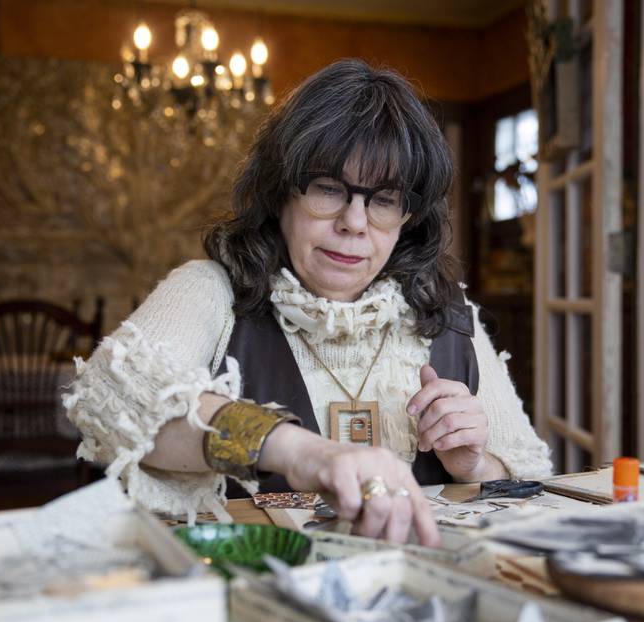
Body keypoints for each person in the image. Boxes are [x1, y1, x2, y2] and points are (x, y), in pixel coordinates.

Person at [64, 59, 551, 547]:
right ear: (279, 194)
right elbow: (112, 399)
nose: (354, 223)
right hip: (255, 588)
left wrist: (472, 463)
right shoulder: (210, 290)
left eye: (384, 199)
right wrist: (299, 451)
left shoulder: (446, 314)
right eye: (328, 188)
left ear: (409, 217)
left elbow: (529, 472)